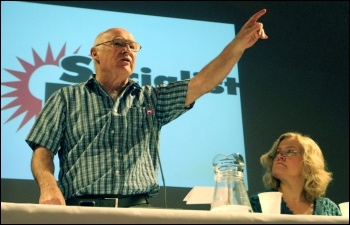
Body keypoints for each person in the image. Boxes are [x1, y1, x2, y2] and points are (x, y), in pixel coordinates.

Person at [26, 9, 268, 208]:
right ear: (95, 53)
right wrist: (49, 187)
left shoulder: (151, 99)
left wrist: (238, 45)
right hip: (82, 209)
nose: (127, 51)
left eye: (133, 47)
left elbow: (202, 83)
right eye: (118, 44)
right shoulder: (66, 98)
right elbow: (42, 150)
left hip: (138, 211)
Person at [249, 132, 342, 216]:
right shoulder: (257, 204)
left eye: (289, 151)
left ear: (309, 162)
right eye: (278, 152)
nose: (279, 157)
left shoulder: (329, 209)